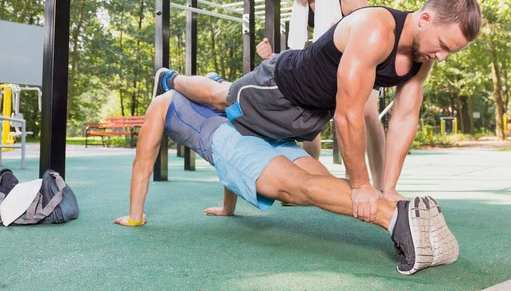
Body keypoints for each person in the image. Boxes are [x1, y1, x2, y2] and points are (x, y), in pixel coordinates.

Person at [153, 0, 482, 224]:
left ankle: (180, 81)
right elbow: (348, 115)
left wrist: (389, 188)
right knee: (219, 96)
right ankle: (170, 79)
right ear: (424, 18)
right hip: (277, 89)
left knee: (305, 185)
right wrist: (362, 187)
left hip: (309, 115)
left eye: (449, 52)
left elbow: (403, 120)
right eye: (442, 46)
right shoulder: (376, 31)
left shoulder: (423, 59)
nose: (441, 56)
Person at [113, 90, 459, 275]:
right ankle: (412, 219)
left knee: (299, 189)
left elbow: (143, 163)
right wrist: (226, 207)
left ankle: (396, 217)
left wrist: (135, 216)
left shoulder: (162, 103)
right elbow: (227, 159)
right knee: (319, 184)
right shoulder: (209, 85)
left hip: (231, 142)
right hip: (264, 132)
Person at [254, 0, 385, 190]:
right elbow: (301, 53)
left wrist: (345, 32)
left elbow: (372, 34)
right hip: (328, 66)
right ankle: (309, 183)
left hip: (363, 62)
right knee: (306, 115)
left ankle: (382, 185)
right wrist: (273, 56)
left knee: (366, 113)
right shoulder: (303, 3)